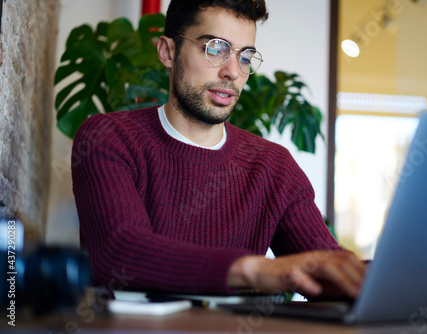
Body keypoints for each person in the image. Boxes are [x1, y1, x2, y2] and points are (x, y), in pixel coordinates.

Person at [72, 0, 366, 299]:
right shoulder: (109, 137)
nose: (233, 72)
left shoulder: (273, 167)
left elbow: (332, 268)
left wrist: (395, 276)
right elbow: (120, 252)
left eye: (245, 56)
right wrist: (252, 270)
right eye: (215, 48)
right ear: (168, 51)